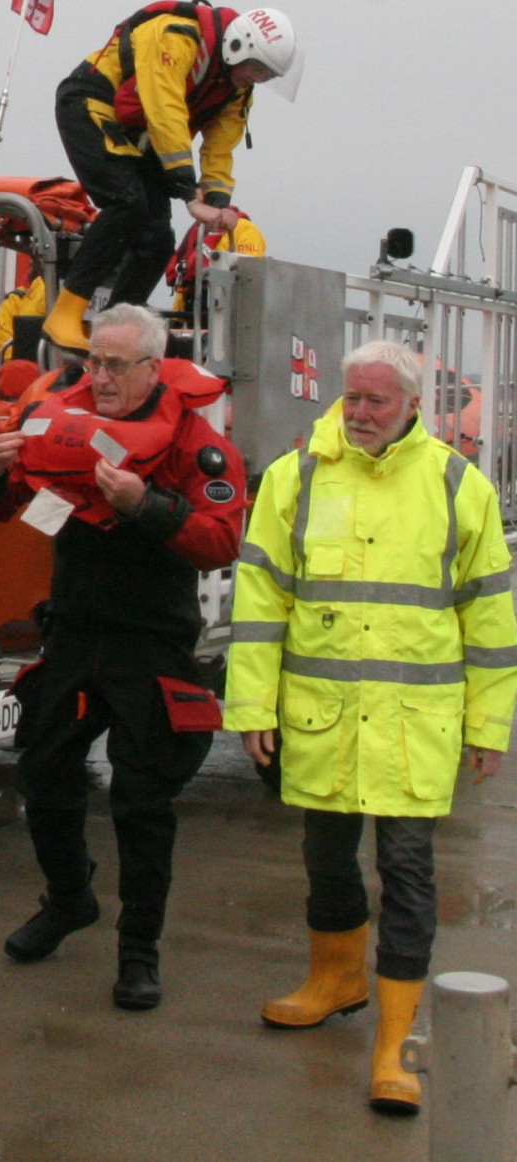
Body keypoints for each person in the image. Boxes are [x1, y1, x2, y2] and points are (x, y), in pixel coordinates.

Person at [223, 340, 517, 1114]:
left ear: (413, 405)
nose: (357, 413)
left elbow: (489, 614)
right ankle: (335, 977)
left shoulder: (459, 486)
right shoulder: (299, 477)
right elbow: (259, 603)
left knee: (410, 875)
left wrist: (489, 724)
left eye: (375, 402)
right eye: (351, 398)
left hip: (414, 726)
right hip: (321, 719)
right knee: (325, 857)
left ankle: (395, 1041)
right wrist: (252, 708)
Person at [0, 303, 246, 1010]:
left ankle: (139, 948)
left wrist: (147, 506)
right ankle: (68, 899)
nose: (101, 378)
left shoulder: (193, 441)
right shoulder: (60, 414)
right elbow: (15, 510)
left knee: (142, 799)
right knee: (41, 768)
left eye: (117, 366)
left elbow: (220, 540)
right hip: (72, 630)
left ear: (153, 367)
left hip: (150, 638)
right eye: (94, 362)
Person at [42, 4, 296, 353]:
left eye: (266, 76)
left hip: (142, 137)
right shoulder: (176, 35)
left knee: (157, 239)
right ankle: (64, 316)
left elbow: (221, 145)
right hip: (93, 104)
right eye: (257, 69)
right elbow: (165, 109)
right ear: (238, 46)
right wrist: (187, 192)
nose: (257, 79)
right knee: (127, 203)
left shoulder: (237, 88)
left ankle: (113, 331)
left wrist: (217, 202)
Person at [166, 204, 266, 318]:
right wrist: (176, 319)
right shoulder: (201, 230)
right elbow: (189, 278)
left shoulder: (245, 229)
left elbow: (250, 274)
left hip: (228, 310)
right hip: (197, 308)